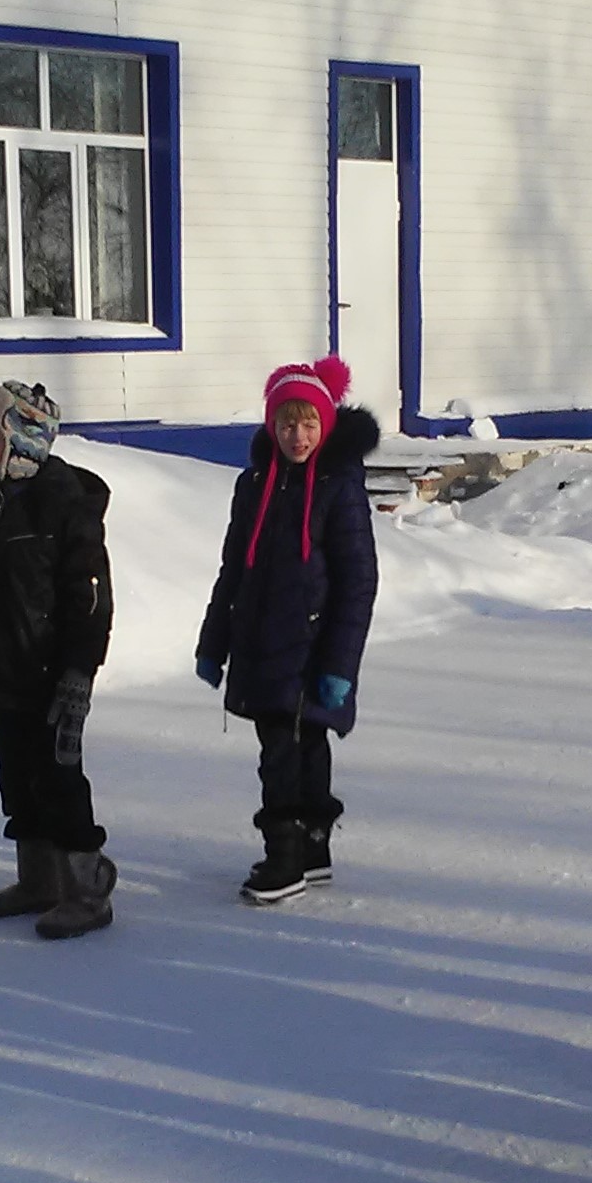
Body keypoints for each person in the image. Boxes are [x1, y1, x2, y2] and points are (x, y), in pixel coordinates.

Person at [195, 356, 380, 905]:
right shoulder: (254, 485)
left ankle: (286, 857)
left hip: (310, 649)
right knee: (299, 747)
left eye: (308, 424)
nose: (297, 436)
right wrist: (213, 644)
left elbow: (358, 582)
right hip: (259, 645)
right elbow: (233, 569)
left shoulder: (338, 488)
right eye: (286, 424)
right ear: (271, 426)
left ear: (325, 425)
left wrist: (339, 667)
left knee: (286, 751)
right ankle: (312, 850)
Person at [0, 381, 117, 940]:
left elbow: (88, 600)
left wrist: (78, 672)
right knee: (16, 782)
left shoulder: (63, 505)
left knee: (59, 782)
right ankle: (38, 879)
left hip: (50, 680)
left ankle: (87, 888)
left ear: (23, 441)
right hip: (2, 677)